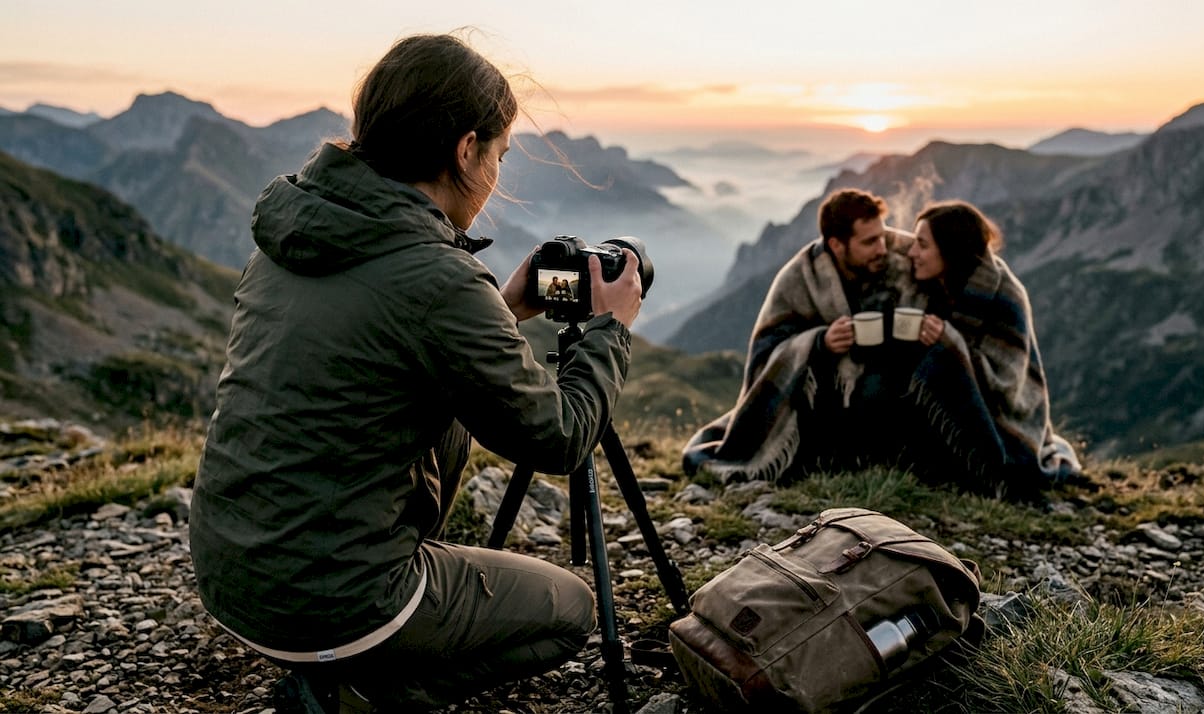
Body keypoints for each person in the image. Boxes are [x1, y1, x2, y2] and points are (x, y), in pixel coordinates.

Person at [188, 33, 643, 712]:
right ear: (465, 151)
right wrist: (611, 330)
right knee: (570, 610)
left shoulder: (296, 234)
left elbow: (378, 338)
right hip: (340, 599)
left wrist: (505, 308)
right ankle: (359, 697)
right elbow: (558, 438)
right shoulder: (435, 278)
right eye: (499, 155)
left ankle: (343, 671)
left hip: (231, 574)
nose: (495, 176)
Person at [682, 188, 925, 483]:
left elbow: (945, 255)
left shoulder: (894, 261)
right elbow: (766, 354)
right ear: (837, 245)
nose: (882, 249)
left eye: (882, 237)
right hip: (823, 401)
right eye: (870, 242)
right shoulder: (799, 279)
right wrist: (820, 343)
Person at [905, 199, 1079, 498]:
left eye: (922, 245)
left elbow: (1006, 383)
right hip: (970, 410)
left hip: (1005, 417)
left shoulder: (1005, 297)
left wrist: (949, 341)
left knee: (941, 364)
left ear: (950, 250)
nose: (912, 253)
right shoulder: (939, 283)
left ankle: (986, 473)